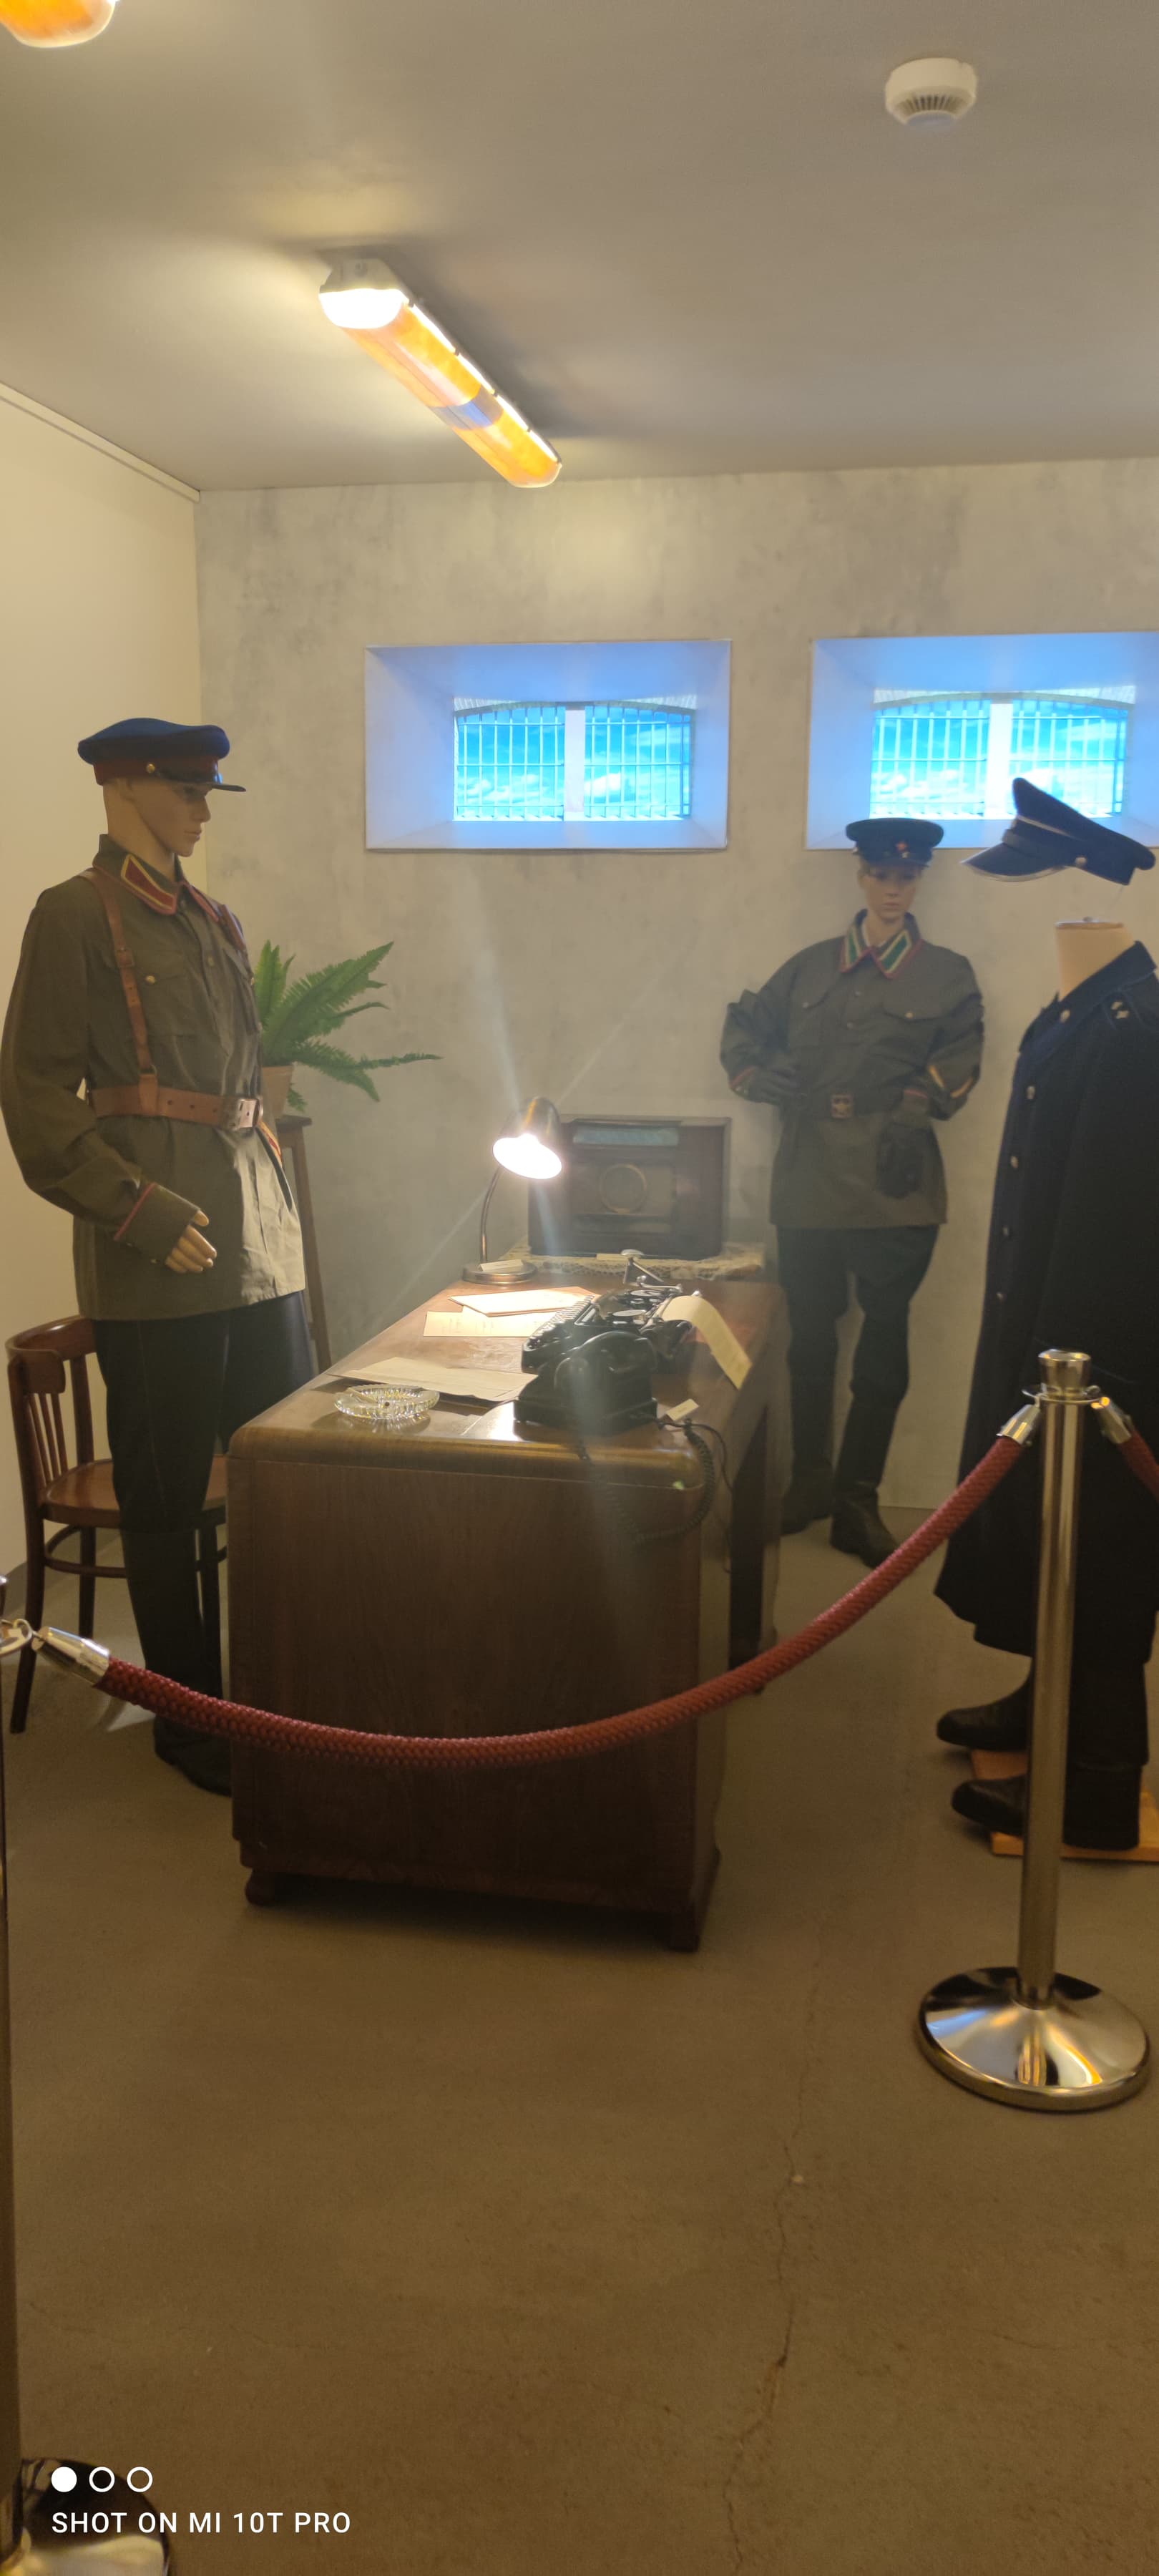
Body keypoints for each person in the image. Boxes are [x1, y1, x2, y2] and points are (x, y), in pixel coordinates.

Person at [1, 718, 312, 1794]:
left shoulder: (214, 921)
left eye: (207, 789)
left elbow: (239, 1087)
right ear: (125, 786)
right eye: (185, 789)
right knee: (168, 1498)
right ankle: (188, 1717)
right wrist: (132, 1209)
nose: (202, 808)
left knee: (282, 1476)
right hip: (159, 1249)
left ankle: (281, 1690)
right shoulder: (73, 916)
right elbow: (37, 1099)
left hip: (255, 1239)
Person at [934, 779, 1158, 1850]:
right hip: (1047, 1338)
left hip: (1096, 1361)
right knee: (1049, 1540)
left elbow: (1112, 1230)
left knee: (1099, 1555)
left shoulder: (1130, 1028)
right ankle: (1045, 1710)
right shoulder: (1081, 1013)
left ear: (1092, 886)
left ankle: (1102, 1783)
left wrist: (1074, 1372)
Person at [720, 818, 983, 1567]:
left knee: (884, 1337)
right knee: (809, 1333)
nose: (894, 889)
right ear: (862, 877)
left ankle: (858, 1499)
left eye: (908, 877)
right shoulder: (808, 970)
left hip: (896, 1179)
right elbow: (743, 1029)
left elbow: (964, 1050)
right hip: (809, 1171)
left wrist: (917, 1105)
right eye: (881, 875)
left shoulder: (946, 974)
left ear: (920, 879)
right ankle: (809, 1481)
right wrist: (754, 1075)